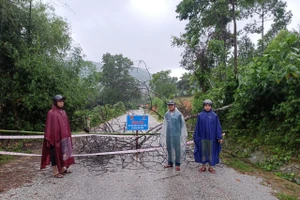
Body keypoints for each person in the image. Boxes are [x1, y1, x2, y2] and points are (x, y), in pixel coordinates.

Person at [41, 95, 75, 178]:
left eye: (62, 101)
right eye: (60, 101)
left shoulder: (63, 112)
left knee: (63, 153)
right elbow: (49, 126)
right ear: (55, 102)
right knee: (54, 154)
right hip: (54, 137)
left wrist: (67, 135)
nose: (62, 103)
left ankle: (62, 168)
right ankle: (55, 172)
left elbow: (66, 125)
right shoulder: (51, 113)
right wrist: (50, 137)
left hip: (63, 137)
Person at [194, 99, 223, 174]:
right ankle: (203, 166)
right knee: (203, 152)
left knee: (211, 152)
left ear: (211, 106)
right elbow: (197, 127)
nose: (207, 107)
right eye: (206, 106)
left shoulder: (214, 116)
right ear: (204, 106)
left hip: (212, 138)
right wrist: (196, 137)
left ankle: (210, 167)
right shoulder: (200, 116)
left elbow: (218, 127)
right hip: (203, 137)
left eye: (209, 106)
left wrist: (219, 137)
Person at [160, 100, 187, 171]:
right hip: (169, 134)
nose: (170, 106)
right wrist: (163, 134)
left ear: (174, 105)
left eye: (172, 105)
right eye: (169, 105)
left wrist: (181, 134)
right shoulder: (166, 114)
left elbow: (182, 125)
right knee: (169, 148)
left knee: (177, 149)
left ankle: (177, 164)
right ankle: (170, 163)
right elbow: (165, 125)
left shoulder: (178, 114)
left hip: (176, 135)